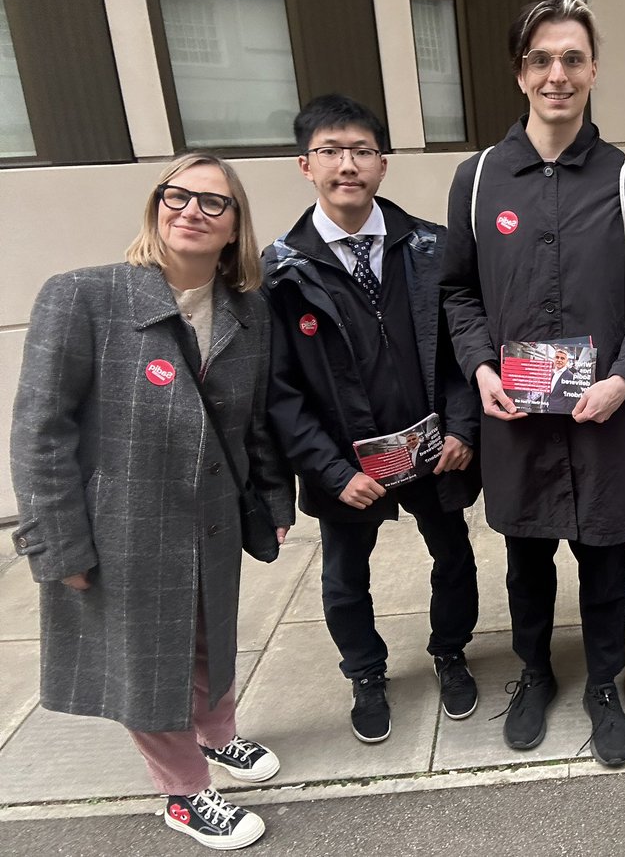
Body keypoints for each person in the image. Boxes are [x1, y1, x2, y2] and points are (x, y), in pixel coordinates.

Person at [10, 154, 295, 850]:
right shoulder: (82, 297)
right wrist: (58, 546)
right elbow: (39, 432)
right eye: (177, 195)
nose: (191, 210)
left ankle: (216, 736)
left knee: (210, 639)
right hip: (120, 531)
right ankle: (183, 793)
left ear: (235, 230)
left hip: (212, 520)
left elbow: (253, 424)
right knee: (148, 661)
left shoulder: (249, 314)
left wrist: (273, 502)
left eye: (213, 203)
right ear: (155, 207)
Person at [441, 0, 625, 767]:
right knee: (526, 558)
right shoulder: (479, 180)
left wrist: (624, 379)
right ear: (520, 74)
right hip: (517, 417)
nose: (557, 74)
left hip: (601, 413)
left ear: (593, 70)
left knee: (606, 553)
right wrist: (478, 363)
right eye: (542, 59)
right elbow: (457, 291)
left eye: (572, 59)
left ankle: (604, 684)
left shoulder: (624, 183)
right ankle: (536, 673)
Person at [263, 94, 482, 745]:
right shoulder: (280, 272)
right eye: (330, 151)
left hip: (431, 449)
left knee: (455, 558)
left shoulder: (430, 248)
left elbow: (462, 348)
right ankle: (365, 673)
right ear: (305, 165)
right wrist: (331, 473)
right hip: (347, 466)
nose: (347, 165)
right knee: (343, 579)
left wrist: (463, 428)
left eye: (361, 151)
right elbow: (280, 394)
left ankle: (450, 651)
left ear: (382, 164)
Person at [546, 347, 576, 412]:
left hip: (560, 412)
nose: (559, 360)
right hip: (549, 409)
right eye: (557, 357)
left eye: (562, 358)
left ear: (566, 361)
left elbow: (572, 400)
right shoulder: (552, 373)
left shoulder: (570, 376)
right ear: (554, 359)